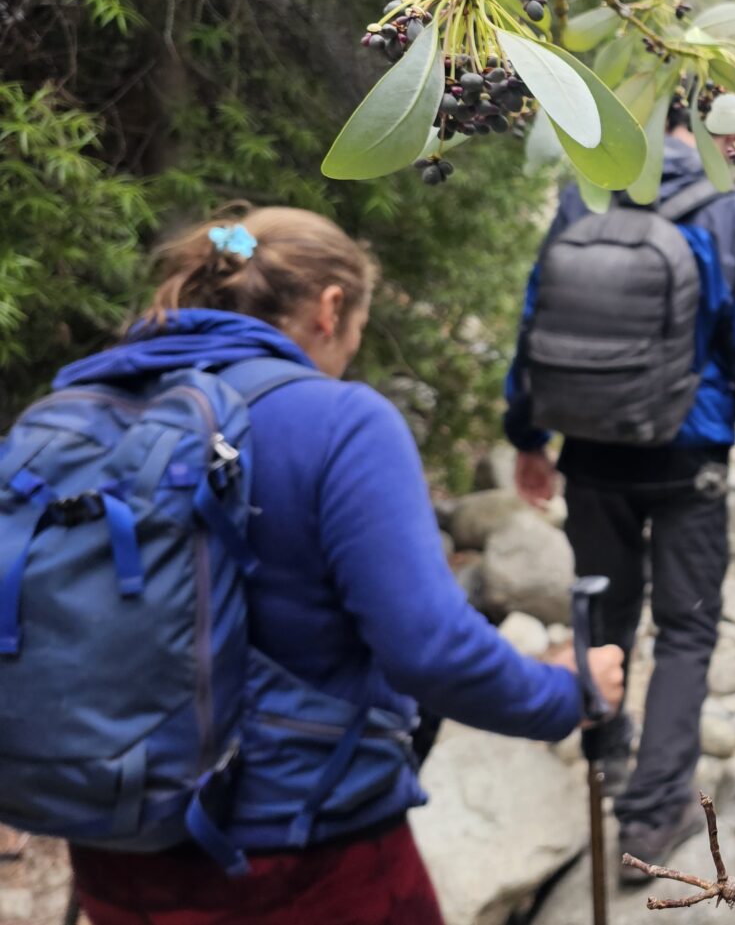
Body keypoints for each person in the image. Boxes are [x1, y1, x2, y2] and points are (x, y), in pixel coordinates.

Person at [37, 207, 624, 925]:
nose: (350, 351)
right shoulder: (338, 421)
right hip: (300, 854)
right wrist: (569, 692)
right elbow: (431, 648)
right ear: (331, 307)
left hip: (113, 849)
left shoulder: (88, 406)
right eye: (357, 331)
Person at [505, 97, 735, 874]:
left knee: (602, 604)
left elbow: (537, 318)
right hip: (686, 452)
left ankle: (605, 754)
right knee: (687, 629)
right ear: (711, 128)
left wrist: (527, 434)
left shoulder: (586, 189)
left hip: (589, 446)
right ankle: (653, 813)